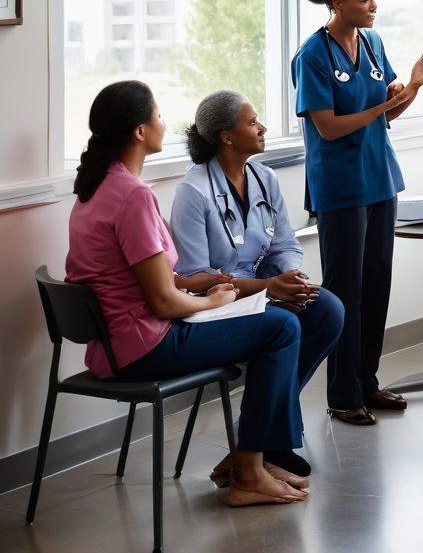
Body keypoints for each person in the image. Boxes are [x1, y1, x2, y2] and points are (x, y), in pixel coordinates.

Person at [65, 81, 310, 509]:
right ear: (140, 131)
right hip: (144, 347)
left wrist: (191, 282)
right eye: (158, 115)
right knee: (283, 328)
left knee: (298, 318)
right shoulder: (134, 196)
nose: (164, 123)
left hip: (112, 347)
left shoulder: (98, 188)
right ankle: (249, 472)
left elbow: (142, 280)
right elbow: (162, 305)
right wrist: (212, 301)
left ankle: (252, 459)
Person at [292, 0, 423, 425]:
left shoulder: (373, 42)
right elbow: (328, 127)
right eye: (364, 0)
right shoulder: (313, 56)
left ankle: (367, 382)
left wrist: (415, 85)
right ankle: (342, 395)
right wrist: (389, 98)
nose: (374, 6)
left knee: (377, 283)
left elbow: (388, 116)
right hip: (340, 186)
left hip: (381, 179)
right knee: (345, 292)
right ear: (337, 3)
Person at [169, 90, 344, 480]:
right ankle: (268, 445)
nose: (262, 128)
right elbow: (197, 278)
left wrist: (292, 276)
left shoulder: (264, 178)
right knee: (289, 324)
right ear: (226, 137)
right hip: (217, 303)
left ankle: (259, 436)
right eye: (252, 122)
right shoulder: (193, 192)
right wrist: (268, 286)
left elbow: (284, 243)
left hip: (260, 290)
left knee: (328, 309)